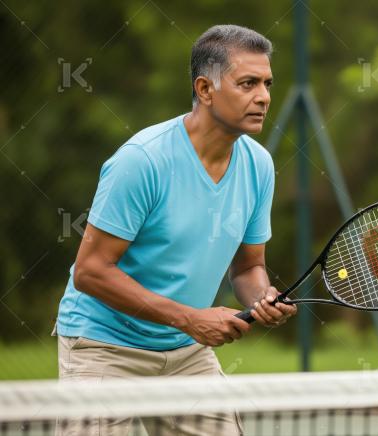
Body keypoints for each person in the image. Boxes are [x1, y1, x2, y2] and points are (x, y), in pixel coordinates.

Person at [53, 24, 295, 435]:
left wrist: (262, 298)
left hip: (186, 354)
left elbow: (248, 268)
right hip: (104, 348)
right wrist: (189, 319)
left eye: (268, 84)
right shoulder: (142, 161)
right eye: (248, 83)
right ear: (205, 89)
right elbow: (90, 272)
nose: (264, 97)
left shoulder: (259, 165)